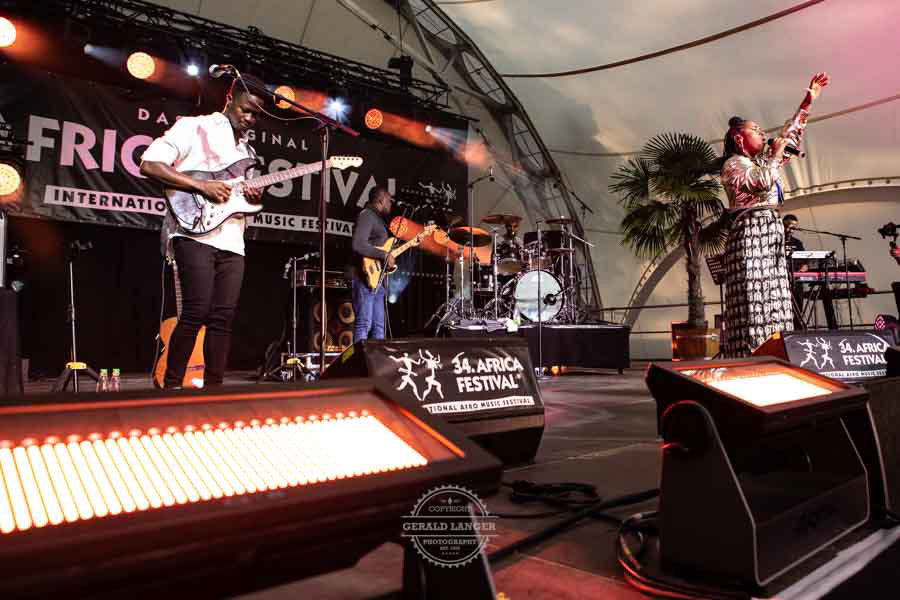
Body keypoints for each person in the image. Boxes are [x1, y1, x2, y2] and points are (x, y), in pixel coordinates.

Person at [140, 74, 266, 387]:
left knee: (223, 318)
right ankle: (171, 386)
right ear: (229, 99)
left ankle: (214, 391)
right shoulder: (195, 127)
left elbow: (241, 201)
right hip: (193, 232)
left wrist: (253, 197)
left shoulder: (249, 154)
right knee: (195, 312)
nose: (249, 119)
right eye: (245, 110)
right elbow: (150, 164)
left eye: (256, 115)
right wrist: (201, 185)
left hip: (233, 240)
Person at [720, 72, 830, 358]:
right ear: (739, 138)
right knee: (753, 302)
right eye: (755, 130)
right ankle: (750, 359)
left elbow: (788, 135)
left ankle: (777, 355)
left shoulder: (763, 161)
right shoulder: (733, 165)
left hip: (770, 233)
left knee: (776, 300)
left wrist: (807, 102)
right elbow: (760, 181)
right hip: (750, 233)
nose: (762, 133)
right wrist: (774, 157)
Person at [350, 186, 395, 342]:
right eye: (389, 200)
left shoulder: (378, 219)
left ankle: (378, 358)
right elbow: (358, 244)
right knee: (364, 324)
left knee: (379, 327)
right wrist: (384, 255)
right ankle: (358, 358)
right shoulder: (367, 215)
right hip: (363, 278)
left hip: (377, 279)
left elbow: (376, 247)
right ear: (380, 200)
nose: (391, 203)